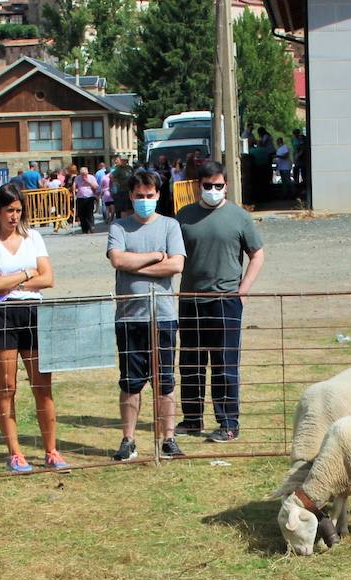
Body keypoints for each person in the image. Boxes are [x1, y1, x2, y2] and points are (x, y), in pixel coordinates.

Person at [0, 183, 68, 473]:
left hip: (34, 312)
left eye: (18, 210)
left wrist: (14, 280)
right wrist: (28, 274)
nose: (14, 216)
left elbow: (48, 278)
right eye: (9, 210)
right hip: (1, 315)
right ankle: (15, 453)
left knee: (43, 386)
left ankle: (51, 450)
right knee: (7, 387)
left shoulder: (34, 237)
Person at [174, 161, 265, 443]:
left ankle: (228, 422)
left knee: (225, 364)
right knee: (190, 363)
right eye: (207, 186)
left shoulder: (240, 217)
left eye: (218, 186)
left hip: (225, 301)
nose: (212, 190)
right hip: (190, 299)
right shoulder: (183, 216)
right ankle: (192, 419)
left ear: (226, 185)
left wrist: (243, 290)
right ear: (198, 185)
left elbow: (257, 254)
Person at [106, 169, 186, 461]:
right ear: (130, 195)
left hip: (162, 316)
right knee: (129, 382)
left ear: (158, 195)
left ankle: (169, 438)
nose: (144, 200)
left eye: (149, 196)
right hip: (129, 318)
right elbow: (117, 259)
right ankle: (128, 439)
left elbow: (176, 265)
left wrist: (133, 265)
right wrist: (154, 256)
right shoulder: (119, 227)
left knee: (164, 381)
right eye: (139, 196)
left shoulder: (170, 226)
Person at [72, 166, 98, 234]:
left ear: (87, 173)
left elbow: (95, 186)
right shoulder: (77, 178)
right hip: (80, 197)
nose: (83, 176)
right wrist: (74, 189)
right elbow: (75, 184)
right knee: (81, 214)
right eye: (82, 174)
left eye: (84, 174)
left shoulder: (91, 177)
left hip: (89, 196)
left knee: (89, 213)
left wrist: (88, 181)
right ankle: (84, 228)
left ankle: (91, 227)